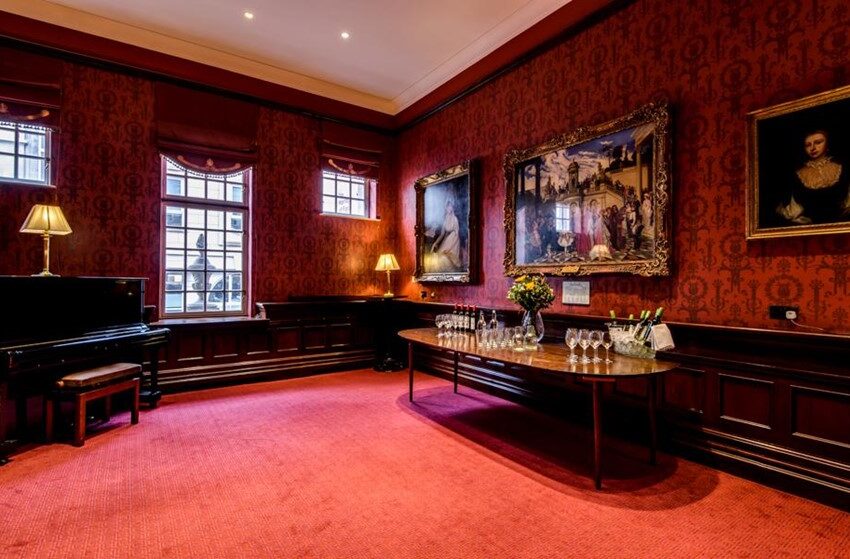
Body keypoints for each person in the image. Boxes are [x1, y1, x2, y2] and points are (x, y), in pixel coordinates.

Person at [777, 129, 850, 224]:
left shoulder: (841, 168)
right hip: (811, 229)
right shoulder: (798, 174)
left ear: (827, 144)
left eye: (818, 142)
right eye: (808, 145)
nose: (812, 148)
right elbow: (794, 210)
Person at [431, 197, 461, 271]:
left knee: (445, 255)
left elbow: (457, 234)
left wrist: (449, 246)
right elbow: (442, 234)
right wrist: (435, 243)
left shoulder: (455, 219)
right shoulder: (445, 220)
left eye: (451, 206)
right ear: (445, 207)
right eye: (448, 206)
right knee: (439, 257)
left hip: (454, 240)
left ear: (452, 208)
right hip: (448, 239)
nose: (449, 208)